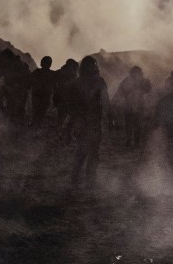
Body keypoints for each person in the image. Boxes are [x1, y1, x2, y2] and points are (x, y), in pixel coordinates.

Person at [70, 55, 110, 186]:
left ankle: (77, 179)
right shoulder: (99, 81)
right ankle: (88, 180)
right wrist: (109, 116)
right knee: (91, 152)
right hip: (90, 121)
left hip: (84, 121)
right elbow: (106, 101)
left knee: (83, 151)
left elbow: (71, 104)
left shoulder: (76, 82)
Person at [114, 66, 151, 148]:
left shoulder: (144, 81)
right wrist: (116, 102)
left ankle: (136, 142)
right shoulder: (126, 81)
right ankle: (129, 140)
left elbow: (149, 91)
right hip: (129, 107)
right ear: (131, 73)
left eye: (138, 73)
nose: (136, 75)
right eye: (134, 73)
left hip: (139, 106)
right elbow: (119, 92)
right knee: (129, 125)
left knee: (137, 125)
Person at [53, 59, 79, 141]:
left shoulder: (59, 72)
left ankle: (61, 135)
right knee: (68, 118)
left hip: (64, 99)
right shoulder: (70, 74)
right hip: (65, 100)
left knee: (63, 118)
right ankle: (67, 135)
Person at [28, 56, 56, 128]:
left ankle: (34, 124)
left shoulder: (36, 72)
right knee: (41, 112)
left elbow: (29, 81)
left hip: (37, 95)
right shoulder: (52, 74)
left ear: (41, 63)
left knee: (36, 111)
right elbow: (55, 85)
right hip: (45, 96)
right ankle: (37, 125)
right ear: (50, 64)